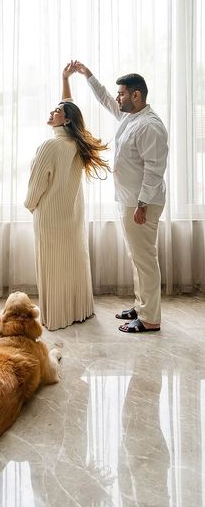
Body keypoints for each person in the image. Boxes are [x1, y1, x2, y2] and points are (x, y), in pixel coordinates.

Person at [75, 62, 168, 333]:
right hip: (129, 200)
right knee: (137, 256)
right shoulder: (131, 117)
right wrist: (87, 74)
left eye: (122, 94)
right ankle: (141, 306)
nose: (118, 98)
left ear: (136, 95)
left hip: (142, 204)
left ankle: (150, 318)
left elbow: (154, 171)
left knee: (145, 259)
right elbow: (105, 99)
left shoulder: (150, 126)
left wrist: (142, 205)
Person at [24, 62, 109, 331]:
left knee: (52, 267)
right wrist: (64, 79)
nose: (52, 112)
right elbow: (69, 105)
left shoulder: (50, 145)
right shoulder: (76, 144)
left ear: (67, 120)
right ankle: (78, 311)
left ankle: (56, 317)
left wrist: (30, 205)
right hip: (72, 216)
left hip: (49, 216)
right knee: (73, 262)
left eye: (57, 111)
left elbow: (36, 186)